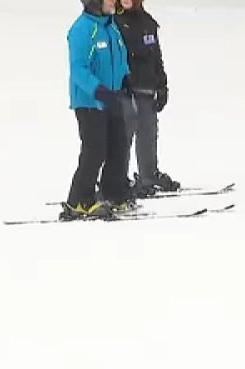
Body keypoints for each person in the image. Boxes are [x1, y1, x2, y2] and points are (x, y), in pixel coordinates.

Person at [63, 0, 136, 221]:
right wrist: (99, 91)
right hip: (89, 101)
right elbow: (78, 69)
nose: (113, 1)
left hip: (112, 98)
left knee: (119, 145)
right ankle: (78, 200)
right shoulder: (82, 29)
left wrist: (127, 80)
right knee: (95, 150)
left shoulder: (111, 26)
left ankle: (113, 193)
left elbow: (120, 58)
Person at [113, 0, 179, 198]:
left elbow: (156, 57)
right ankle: (117, 180)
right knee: (123, 136)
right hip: (125, 88)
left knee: (148, 133)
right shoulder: (113, 23)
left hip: (147, 87)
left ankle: (148, 175)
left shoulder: (147, 22)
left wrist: (162, 85)